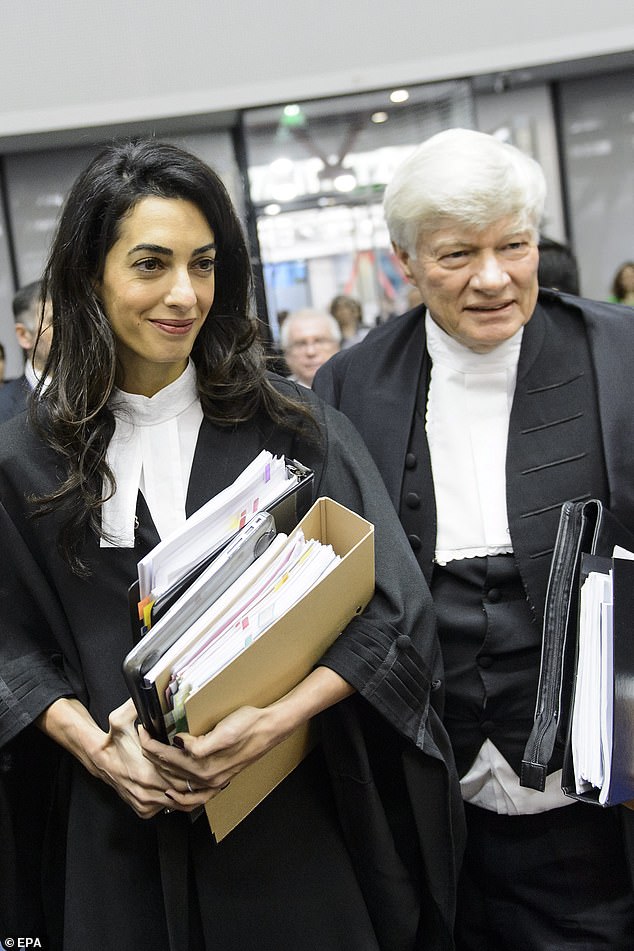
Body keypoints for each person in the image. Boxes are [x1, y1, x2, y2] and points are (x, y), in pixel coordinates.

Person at [0, 140, 464, 951]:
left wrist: (276, 721)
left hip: (287, 825)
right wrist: (94, 747)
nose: (184, 294)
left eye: (204, 264)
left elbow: (390, 608)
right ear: (88, 275)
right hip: (112, 840)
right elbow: (10, 641)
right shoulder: (26, 459)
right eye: (150, 264)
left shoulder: (291, 427)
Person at [314, 127, 634, 951]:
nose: (493, 279)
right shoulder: (350, 382)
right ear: (405, 262)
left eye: (514, 247)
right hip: (429, 802)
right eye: (458, 255)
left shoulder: (620, 355)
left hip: (589, 810)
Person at [0, 280, 53, 423]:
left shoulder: (102, 392)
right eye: (54, 321)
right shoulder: (3, 409)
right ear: (24, 335)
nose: (68, 328)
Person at [280, 307, 341, 386]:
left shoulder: (357, 389)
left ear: (337, 346)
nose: (311, 352)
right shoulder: (274, 396)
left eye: (319, 341)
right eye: (301, 344)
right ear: (287, 354)